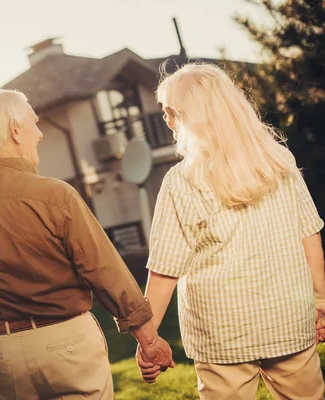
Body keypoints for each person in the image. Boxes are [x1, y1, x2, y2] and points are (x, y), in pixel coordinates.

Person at [0, 89, 174, 399]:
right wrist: (148, 339)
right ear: (14, 131)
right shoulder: (55, 196)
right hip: (67, 345)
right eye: (34, 123)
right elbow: (104, 269)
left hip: (0, 352)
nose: (38, 133)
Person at [137, 63, 325, 399]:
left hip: (221, 333)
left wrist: (148, 339)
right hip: (290, 319)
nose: (166, 120)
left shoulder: (182, 182)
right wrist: (322, 300)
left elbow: (165, 268)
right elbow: (309, 236)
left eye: (169, 112)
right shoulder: (279, 160)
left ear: (186, 116)